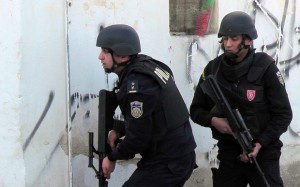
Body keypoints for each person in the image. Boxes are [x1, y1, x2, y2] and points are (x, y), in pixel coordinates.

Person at [190, 11, 292, 187]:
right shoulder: (213, 69)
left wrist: (261, 142)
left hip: (264, 151)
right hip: (229, 151)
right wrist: (214, 121)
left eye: (234, 39)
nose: (228, 44)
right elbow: (196, 110)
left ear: (248, 40)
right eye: (225, 39)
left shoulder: (266, 67)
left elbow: (283, 115)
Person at [96, 24, 197, 187]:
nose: (100, 56)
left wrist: (112, 157)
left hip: (169, 161)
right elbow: (152, 118)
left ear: (122, 55)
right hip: (172, 156)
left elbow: (138, 138)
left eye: (105, 51)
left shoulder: (138, 86)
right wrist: (120, 130)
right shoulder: (145, 66)